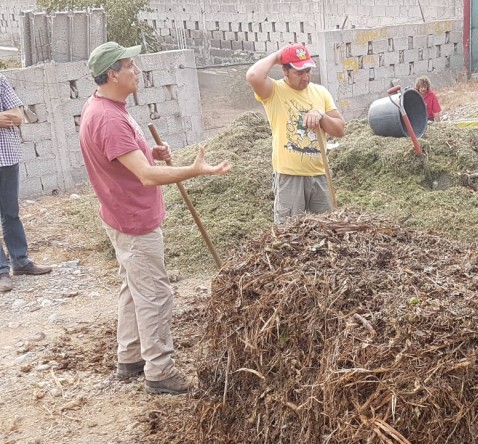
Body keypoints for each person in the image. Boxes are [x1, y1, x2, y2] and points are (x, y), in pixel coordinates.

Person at [79, 42, 232, 394]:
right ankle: (160, 372)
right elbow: (146, 176)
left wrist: (150, 151)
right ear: (113, 74)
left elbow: (129, 160)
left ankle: (130, 357)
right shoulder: (108, 117)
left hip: (118, 213)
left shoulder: (105, 106)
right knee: (155, 295)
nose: (137, 71)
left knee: (133, 289)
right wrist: (194, 170)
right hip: (133, 219)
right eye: (130, 65)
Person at [245, 43, 345, 224]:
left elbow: (339, 129)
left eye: (308, 71)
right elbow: (253, 75)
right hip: (290, 176)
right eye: (299, 72)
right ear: (285, 71)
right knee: (288, 233)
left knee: (327, 230)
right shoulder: (274, 91)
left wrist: (321, 117)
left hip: (320, 174)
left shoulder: (320, 92)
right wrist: (278, 55)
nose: (305, 77)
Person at [0, 74, 53, 293]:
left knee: (11, 213)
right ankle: (1, 272)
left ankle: (20, 262)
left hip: (7, 157)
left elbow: (17, 116)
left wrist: (9, 116)